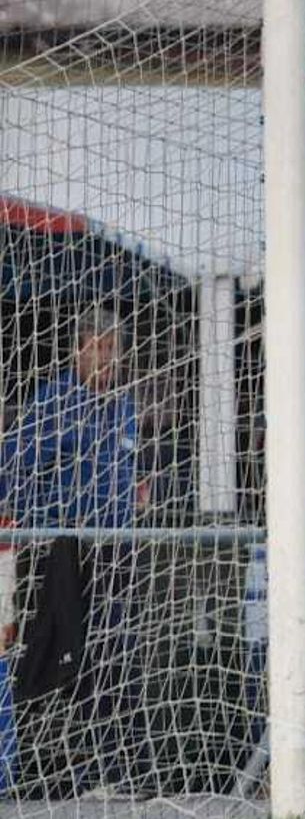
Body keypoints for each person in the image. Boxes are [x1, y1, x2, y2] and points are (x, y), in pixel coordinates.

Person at [0, 305, 147, 798]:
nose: (104, 358)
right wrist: (54, 523)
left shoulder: (126, 408)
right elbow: (15, 476)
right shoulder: (52, 403)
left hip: (118, 552)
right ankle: (49, 769)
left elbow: (131, 475)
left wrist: (138, 495)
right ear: (77, 352)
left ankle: (110, 770)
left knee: (115, 655)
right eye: (95, 348)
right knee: (59, 656)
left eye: (112, 349)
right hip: (64, 556)